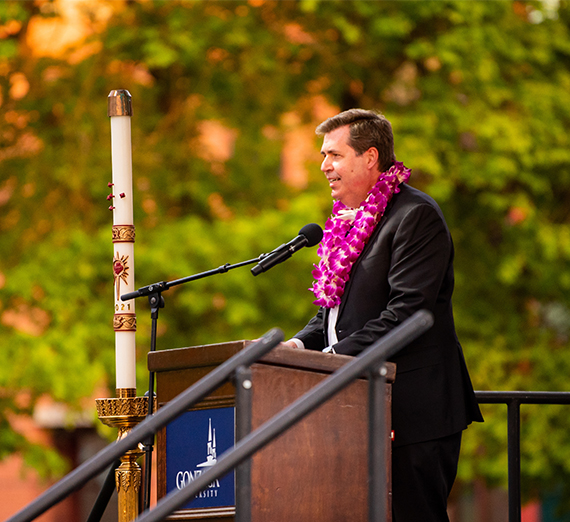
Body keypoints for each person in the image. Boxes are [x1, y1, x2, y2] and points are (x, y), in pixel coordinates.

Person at [281, 109, 483, 522]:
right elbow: (333, 315)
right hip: (360, 410)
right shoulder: (347, 224)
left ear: (370, 157)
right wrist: (297, 346)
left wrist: (328, 360)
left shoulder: (415, 216)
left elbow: (408, 313)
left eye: (333, 155)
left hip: (413, 412)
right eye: (324, 156)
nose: (324, 167)